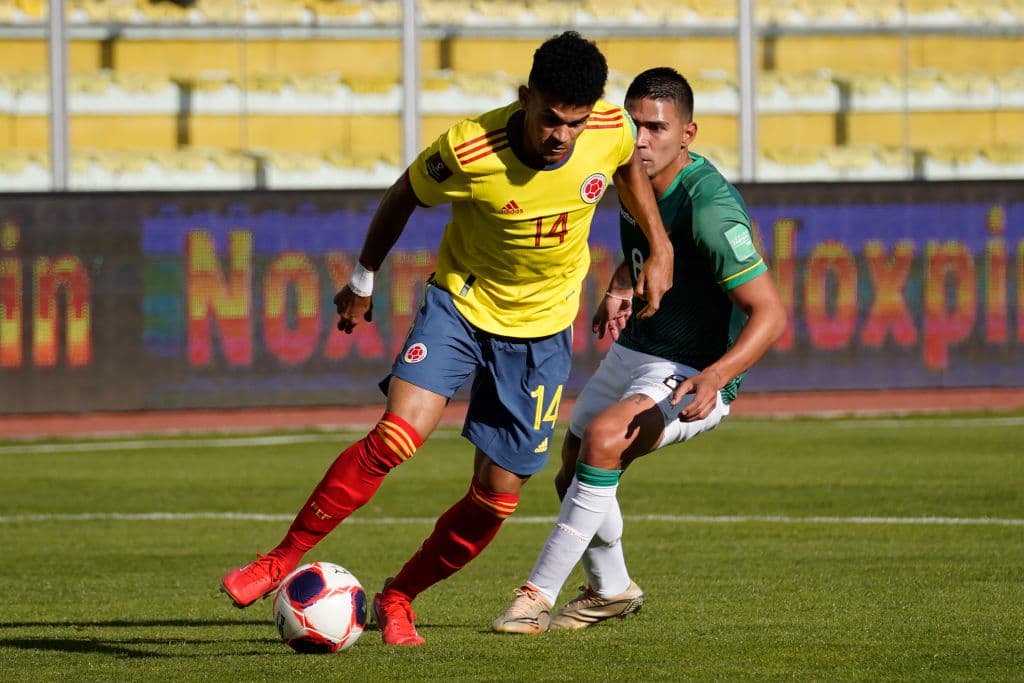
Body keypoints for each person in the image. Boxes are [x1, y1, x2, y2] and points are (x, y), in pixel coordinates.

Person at [220, 31, 675, 647]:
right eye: (548, 120)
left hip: (542, 333)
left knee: (496, 498)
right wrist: (363, 277)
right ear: (525, 99)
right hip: (460, 305)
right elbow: (405, 194)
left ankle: (399, 596)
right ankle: (278, 561)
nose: (560, 137)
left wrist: (660, 243)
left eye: (572, 123)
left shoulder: (610, 128)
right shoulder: (469, 148)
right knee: (395, 437)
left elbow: (626, 171)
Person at [491, 66, 787, 634]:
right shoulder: (628, 170)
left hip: (693, 370)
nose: (643, 138)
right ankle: (612, 590)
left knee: (604, 440)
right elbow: (656, 250)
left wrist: (715, 376)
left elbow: (770, 314)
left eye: (657, 128)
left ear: (688, 134)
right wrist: (622, 286)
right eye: (635, 125)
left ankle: (534, 597)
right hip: (638, 345)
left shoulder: (709, 207)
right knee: (573, 471)